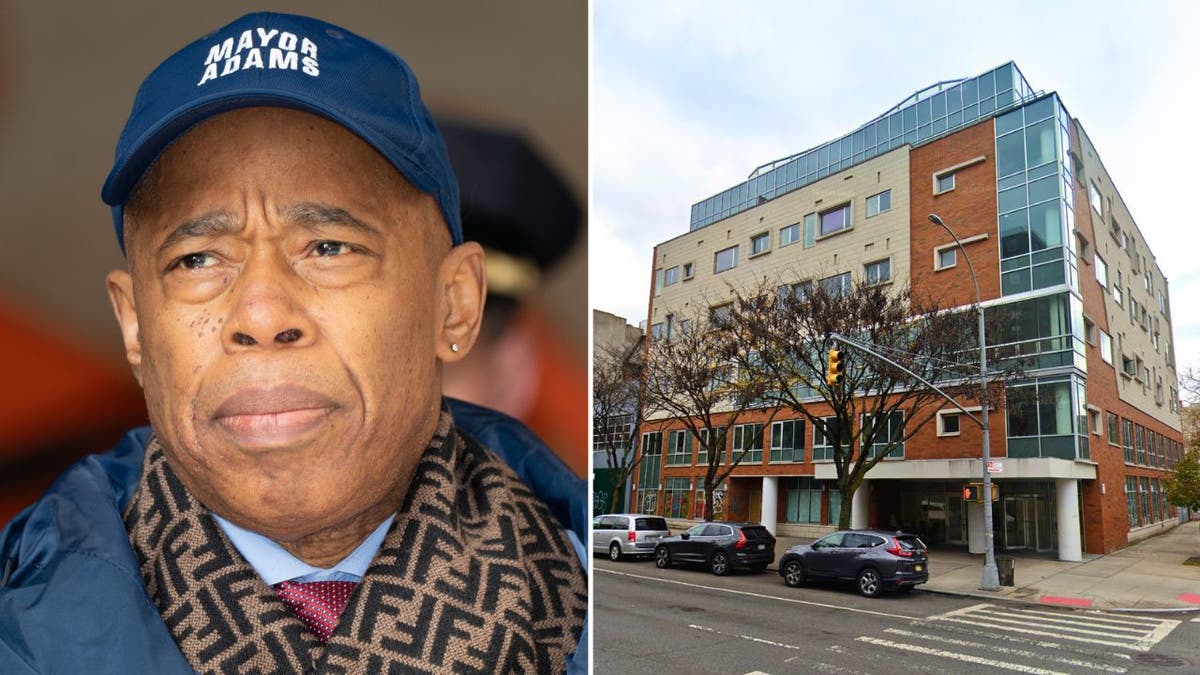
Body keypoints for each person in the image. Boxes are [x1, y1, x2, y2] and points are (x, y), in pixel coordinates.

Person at [0, 12, 587, 674]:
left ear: (455, 304)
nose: (261, 311)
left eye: (329, 247)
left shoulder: (605, 610)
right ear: (134, 323)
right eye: (196, 259)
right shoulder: (23, 623)